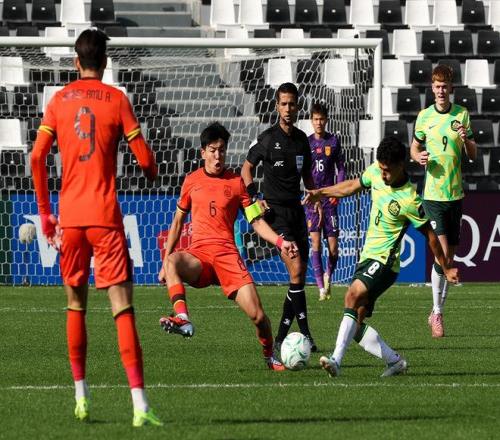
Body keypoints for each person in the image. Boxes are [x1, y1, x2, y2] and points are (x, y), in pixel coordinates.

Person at [31, 29, 162, 427]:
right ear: (105, 63)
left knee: (76, 305)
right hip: (105, 217)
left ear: (77, 62)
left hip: (70, 219)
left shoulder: (59, 100)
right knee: (122, 308)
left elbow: (36, 157)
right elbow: (144, 160)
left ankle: (81, 397)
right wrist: (152, 170)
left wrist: (46, 213)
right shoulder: (117, 100)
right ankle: (139, 405)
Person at [303, 136, 459, 378]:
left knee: (351, 295)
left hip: (386, 262)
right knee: (355, 324)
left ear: (400, 165)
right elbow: (351, 186)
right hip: (367, 257)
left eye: (387, 170)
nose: (383, 174)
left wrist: (446, 267)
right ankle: (395, 362)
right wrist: (321, 192)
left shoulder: (410, 199)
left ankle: (336, 361)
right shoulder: (376, 171)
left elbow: (430, 236)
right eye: (381, 169)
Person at [158, 122, 298, 371]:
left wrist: (280, 241)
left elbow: (256, 221)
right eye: (213, 150)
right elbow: (177, 222)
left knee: (258, 316)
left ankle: (269, 356)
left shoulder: (236, 183)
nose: (218, 156)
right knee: (171, 261)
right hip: (199, 257)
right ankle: (183, 318)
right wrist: (165, 264)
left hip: (227, 257)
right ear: (203, 152)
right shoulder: (191, 181)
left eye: (222, 150)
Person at [241, 82, 317, 352]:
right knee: (295, 270)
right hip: (275, 214)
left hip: (297, 212)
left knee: (299, 276)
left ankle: (282, 337)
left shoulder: (302, 140)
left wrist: (315, 196)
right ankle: (306, 335)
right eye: (283, 104)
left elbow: (307, 175)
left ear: (298, 107)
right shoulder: (267, 138)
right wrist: (254, 196)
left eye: (292, 104)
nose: (288, 108)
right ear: (276, 106)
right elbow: (246, 169)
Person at [410, 64, 477, 338]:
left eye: (444, 86)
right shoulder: (424, 117)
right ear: (432, 87)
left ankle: (436, 310)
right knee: (443, 254)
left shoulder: (462, 114)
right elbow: (414, 147)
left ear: (451, 88)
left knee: (449, 258)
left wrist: (465, 140)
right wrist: (418, 157)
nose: (440, 91)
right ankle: (437, 313)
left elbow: (472, 154)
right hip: (433, 195)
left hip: (455, 194)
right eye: (436, 86)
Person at [305, 103, 345, 301]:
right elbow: (303, 172)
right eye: (315, 119)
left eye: (321, 119)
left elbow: (341, 168)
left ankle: (329, 275)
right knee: (315, 243)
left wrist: (337, 192)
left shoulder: (334, 141)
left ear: (326, 120)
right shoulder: (306, 143)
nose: (319, 122)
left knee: (333, 248)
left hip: (330, 199)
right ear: (311, 121)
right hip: (312, 199)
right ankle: (321, 287)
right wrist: (312, 194)